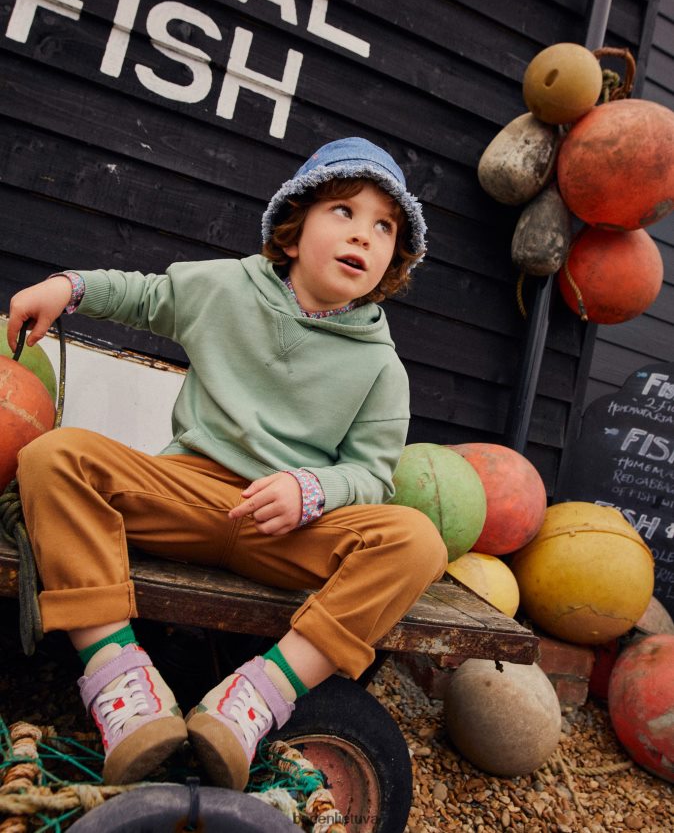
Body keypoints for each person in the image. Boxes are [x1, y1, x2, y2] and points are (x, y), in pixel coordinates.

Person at [7, 137, 449, 789]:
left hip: (289, 529)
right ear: (293, 228)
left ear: (392, 260)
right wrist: (67, 287)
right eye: (344, 211)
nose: (364, 234)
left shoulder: (382, 367)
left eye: (385, 226)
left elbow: (371, 473)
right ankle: (122, 685)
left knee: (417, 541)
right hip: (187, 494)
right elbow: (145, 297)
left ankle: (254, 699)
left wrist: (312, 489)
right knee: (52, 455)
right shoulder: (227, 287)